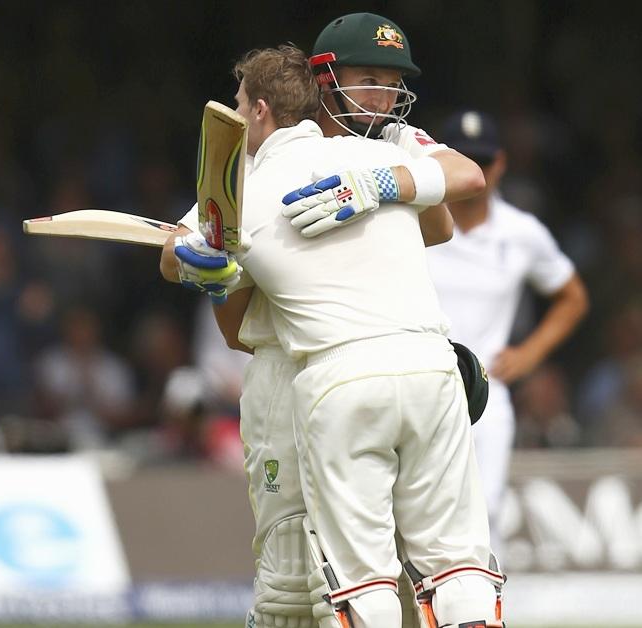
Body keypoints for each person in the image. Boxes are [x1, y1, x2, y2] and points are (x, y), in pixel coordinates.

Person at [162, 44, 502, 628]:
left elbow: (177, 247)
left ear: (261, 110)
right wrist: (386, 182)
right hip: (430, 366)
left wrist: (199, 265)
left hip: (333, 377)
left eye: (241, 105)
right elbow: (456, 184)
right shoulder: (370, 152)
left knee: (358, 580)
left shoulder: (249, 180)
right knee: (457, 567)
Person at [288, 108, 589, 562]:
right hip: (412, 379)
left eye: (484, 163)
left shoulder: (520, 233)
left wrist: (529, 355)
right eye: (467, 161)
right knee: (398, 522)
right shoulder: (413, 218)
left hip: (483, 392)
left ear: (500, 165)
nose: (477, 173)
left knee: (482, 519)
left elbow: (572, 296)